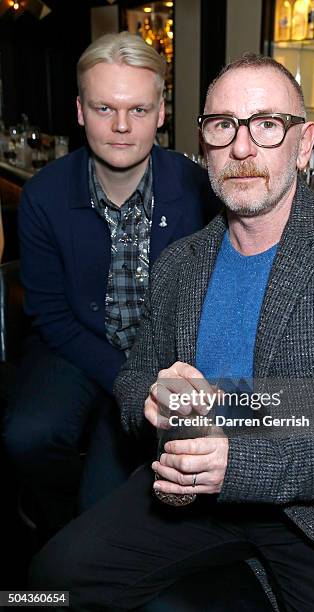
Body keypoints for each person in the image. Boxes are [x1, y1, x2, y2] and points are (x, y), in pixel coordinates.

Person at [30, 54, 314, 612]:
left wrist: (243, 465)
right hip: (191, 493)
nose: (243, 147)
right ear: (204, 144)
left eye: (267, 125)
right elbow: (136, 377)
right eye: (223, 124)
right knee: (43, 586)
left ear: (304, 145)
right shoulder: (180, 263)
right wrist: (154, 401)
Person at [3, 32, 220, 539]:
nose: (121, 127)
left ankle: (86, 523)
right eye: (104, 108)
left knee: (104, 510)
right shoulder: (43, 195)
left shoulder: (199, 190)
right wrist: (126, 377)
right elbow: (52, 316)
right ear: (80, 111)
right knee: (26, 435)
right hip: (77, 346)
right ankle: (50, 515)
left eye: (138, 110)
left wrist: (154, 377)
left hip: (165, 357)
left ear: (162, 112)